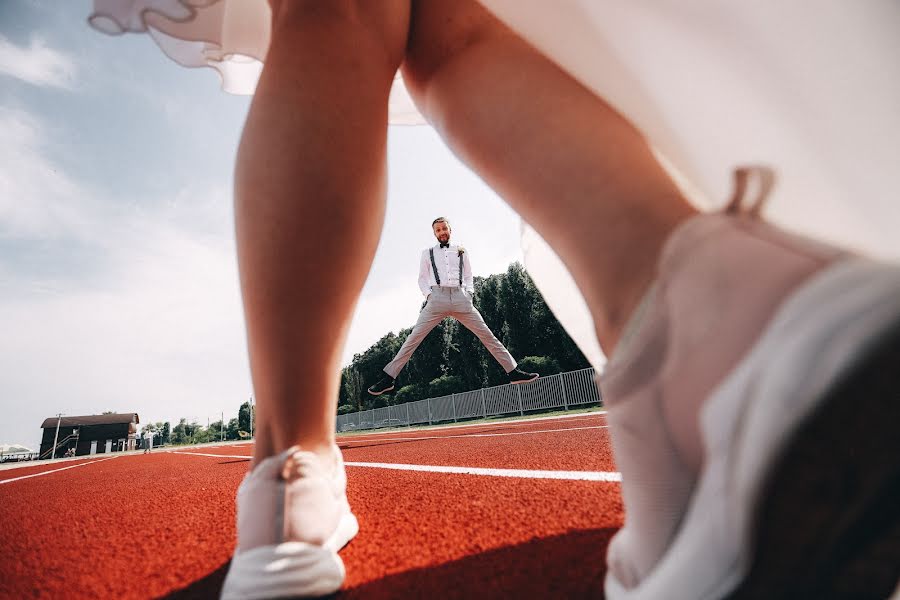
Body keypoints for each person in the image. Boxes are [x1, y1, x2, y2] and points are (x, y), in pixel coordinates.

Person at [88, 1, 900, 599]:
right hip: (435, 303)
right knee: (457, 29)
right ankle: (725, 317)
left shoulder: (457, 249)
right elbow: (425, 289)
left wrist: (460, 297)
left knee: (334, 11)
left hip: (459, 299)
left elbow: (460, 284)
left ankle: (287, 484)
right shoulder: (429, 251)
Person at [367, 216, 538, 396]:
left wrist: (469, 294)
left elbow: (469, 275)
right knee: (413, 338)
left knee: (487, 335)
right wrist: (430, 295)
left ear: (450, 230)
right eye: (438, 230)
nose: (442, 232)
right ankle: (389, 378)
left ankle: (513, 372)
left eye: (444, 228)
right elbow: (422, 278)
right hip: (436, 299)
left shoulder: (461, 251)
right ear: (434, 233)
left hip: (460, 298)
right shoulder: (427, 253)